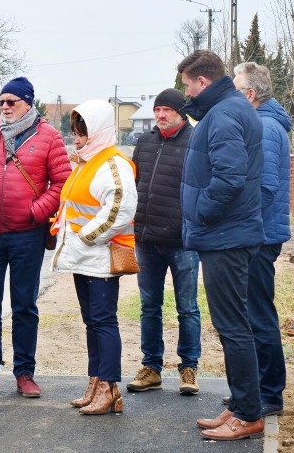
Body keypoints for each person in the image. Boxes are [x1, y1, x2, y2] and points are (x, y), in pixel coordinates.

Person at [0, 76, 69, 399]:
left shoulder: (48, 137)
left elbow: (62, 183)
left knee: (24, 306)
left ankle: (24, 373)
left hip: (26, 237)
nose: (4, 107)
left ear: (28, 103)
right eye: (1, 102)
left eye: (12, 101)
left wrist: (37, 211)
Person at [178, 50, 266, 441]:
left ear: (203, 82)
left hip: (227, 236)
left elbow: (229, 179)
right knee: (232, 325)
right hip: (228, 234)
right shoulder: (227, 108)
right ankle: (239, 405)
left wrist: (201, 214)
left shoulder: (226, 114)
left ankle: (248, 414)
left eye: (187, 85)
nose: (186, 93)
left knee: (234, 327)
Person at [50, 100, 136, 415]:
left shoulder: (113, 163)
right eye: (75, 132)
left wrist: (87, 237)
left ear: (98, 132)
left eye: (83, 132)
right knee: (92, 322)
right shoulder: (87, 162)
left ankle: (110, 386)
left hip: (99, 257)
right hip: (82, 257)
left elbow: (120, 209)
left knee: (103, 321)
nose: (77, 138)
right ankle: (96, 381)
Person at [126, 89, 201, 396]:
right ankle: (151, 368)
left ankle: (189, 368)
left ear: (181, 113)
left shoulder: (196, 142)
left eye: (167, 110)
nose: (160, 115)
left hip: (183, 242)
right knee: (149, 307)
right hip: (147, 240)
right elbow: (133, 187)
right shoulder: (144, 144)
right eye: (157, 110)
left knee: (187, 308)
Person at [232, 62, 291, 418]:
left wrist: (239, 225)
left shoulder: (266, 127)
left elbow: (264, 189)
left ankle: (269, 394)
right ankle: (254, 391)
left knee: (258, 315)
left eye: (236, 91)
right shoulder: (263, 122)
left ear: (250, 95)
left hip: (259, 236)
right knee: (251, 314)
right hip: (258, 233)